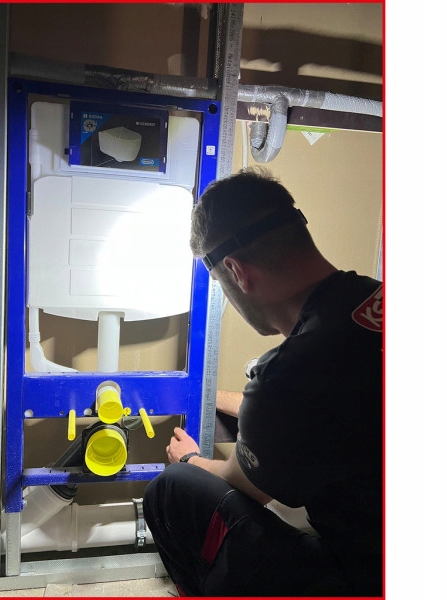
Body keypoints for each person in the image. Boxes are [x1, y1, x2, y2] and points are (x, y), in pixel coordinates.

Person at [142, 167, 383, 597]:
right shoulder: (370, 302)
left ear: (236, 271)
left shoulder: (288, 372)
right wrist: (217, 396)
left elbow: (242, 481)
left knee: (173, 489)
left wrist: (189, 457)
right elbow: (320, 406)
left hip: (366, 578)